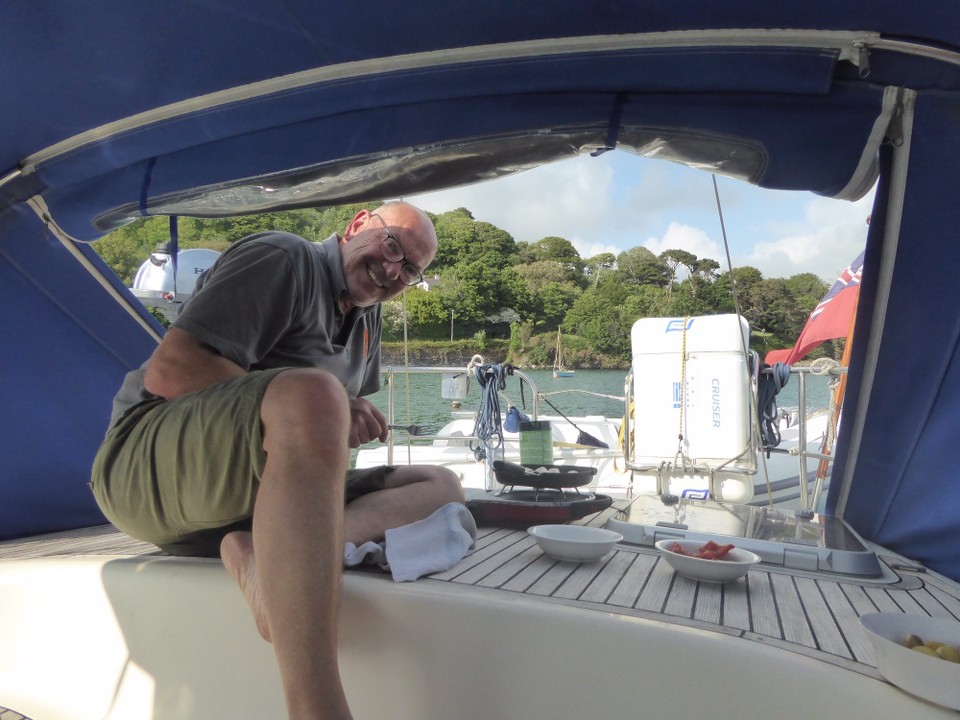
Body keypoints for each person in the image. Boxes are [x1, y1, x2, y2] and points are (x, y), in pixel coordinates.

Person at [91, 201, 465, 720]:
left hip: (246, 500)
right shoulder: (283, 257)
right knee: (316, 393)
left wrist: (342, 420)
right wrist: (327, 406)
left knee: (440, 484)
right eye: (392, 245)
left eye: (411, 269)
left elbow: (316, 427)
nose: (393, 270)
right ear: (358, 225)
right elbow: (171, 372)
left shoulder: (368, 318)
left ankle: (267, 554)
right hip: (146, 470)